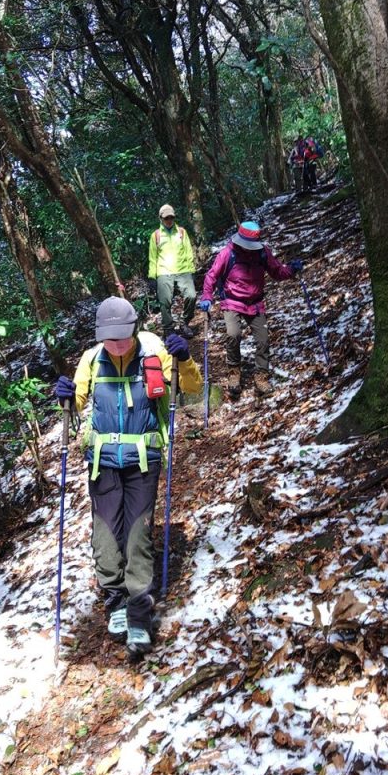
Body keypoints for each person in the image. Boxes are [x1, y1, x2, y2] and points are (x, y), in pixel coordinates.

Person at [54, 297, 202, 656]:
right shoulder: (92, 359)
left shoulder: (153, 353)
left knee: (137, 535)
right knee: (106, 537)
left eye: (122, 337)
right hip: (102, 461)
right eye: (110, 338)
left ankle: (138, 613)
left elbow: (192, 389)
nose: (117, 344)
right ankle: (115, 599)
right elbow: (75, 402)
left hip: (143, 460)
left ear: (134, 330)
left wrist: (184, 359)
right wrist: (65, 397)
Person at [197, 221, 303, 398]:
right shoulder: (227, 253)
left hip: (255, 303)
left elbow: (277, 272)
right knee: (233, 334)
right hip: (232, 301)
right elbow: (211, 276)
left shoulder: (263, 253)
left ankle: (261, 377)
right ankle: (234, 373)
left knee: (263, 339)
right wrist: (207, 296)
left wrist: (291, 269)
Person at [148, 204, 197, 339]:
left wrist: (192, 270)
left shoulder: (181, 232)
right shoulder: (156, 235)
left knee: (191, 296)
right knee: (164, 301)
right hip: (163, 271)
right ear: (161, 219)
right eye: (166, 218)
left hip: (183, 269)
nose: (169, 220)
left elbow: (188, 252)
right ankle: (168, 329)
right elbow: (152, 257)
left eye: (171, 217)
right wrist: (152, 276)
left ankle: (184, 323)